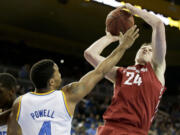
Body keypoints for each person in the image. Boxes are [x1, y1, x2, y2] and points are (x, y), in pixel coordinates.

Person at [7, 25, 139, 135]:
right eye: (57, 72)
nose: (60, 74)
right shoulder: (67, 95)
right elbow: (101, 71)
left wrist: (109, 38)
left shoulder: (20, 102)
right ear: (51, 82)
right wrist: (122, 47)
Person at [84, 3, 166, 135]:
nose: (145, 49)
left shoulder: (157, 70)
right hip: (109, 129)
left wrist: (135, 11)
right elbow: (90, 54)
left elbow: (158, 24)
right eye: (142, 48)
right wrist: (109, 38)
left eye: (150, 50)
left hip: (136, 131)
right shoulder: (121, 73)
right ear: (135, 55)